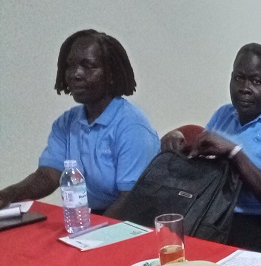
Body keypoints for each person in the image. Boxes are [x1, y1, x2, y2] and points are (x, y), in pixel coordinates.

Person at [161, 43, 261, 254]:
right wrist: (178, 144)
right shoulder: (223, 114)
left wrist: (234, 153)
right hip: (210, 216)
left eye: (256, 81)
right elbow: (199, 166)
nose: (245, 88)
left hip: (257, 225)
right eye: (239, 78)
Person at [0, 29, 159, 216]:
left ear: (111, 75)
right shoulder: (66, 122)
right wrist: (7, 195)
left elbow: (131, 199)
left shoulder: (131, 127)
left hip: (134, 221)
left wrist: (93, 235)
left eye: (88, 66)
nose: (75, 74)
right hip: (93, 218)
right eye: (70, 65)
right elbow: (48, 175)